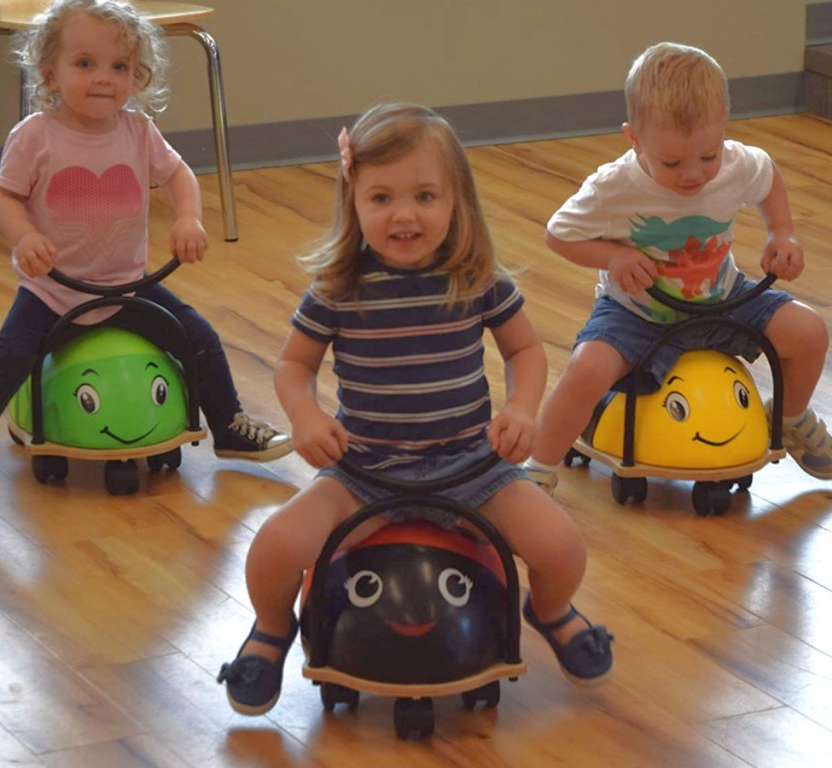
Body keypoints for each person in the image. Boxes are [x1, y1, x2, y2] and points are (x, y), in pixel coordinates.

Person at [216, 103, 614, 715]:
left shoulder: (475, 276)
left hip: (471, 468)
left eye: (425, 196)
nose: (404, 215)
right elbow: (294, 365)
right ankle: (271, 629)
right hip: (364, 472)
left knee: (562, 546)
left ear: (457, 201)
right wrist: (307, 418)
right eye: (381, 198)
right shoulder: (338, 287)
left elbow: (526, 349)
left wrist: (523, 410)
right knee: (273, 547)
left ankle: (551, 608)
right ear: (353, 203)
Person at [0, 0, 291, 490]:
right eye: (85, 64)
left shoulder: (138, 131)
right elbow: (6, 195)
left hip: (127, 285)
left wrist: (189, 217)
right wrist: (24, 236)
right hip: (53, 292)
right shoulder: (34, 136)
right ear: (49, 73)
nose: (103, 77)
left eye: (119, 66)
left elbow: (178, 173)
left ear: (138, 76)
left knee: (200, 338)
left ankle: (229, 426)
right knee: (7, 357)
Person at [523, 42, 832, 493]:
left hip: (723, 297)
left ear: (722, 133)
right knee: (587, 369)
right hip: (637, 313)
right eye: (672, 162)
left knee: (810, 333)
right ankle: (538, 467)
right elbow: (558, 233)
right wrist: (613, 257)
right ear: (634, 140)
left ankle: (789, 417)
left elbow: (767, 175)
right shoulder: (613, 186)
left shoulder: (736, 164)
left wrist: (782, 233)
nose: (693, 174)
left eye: (707, 156)